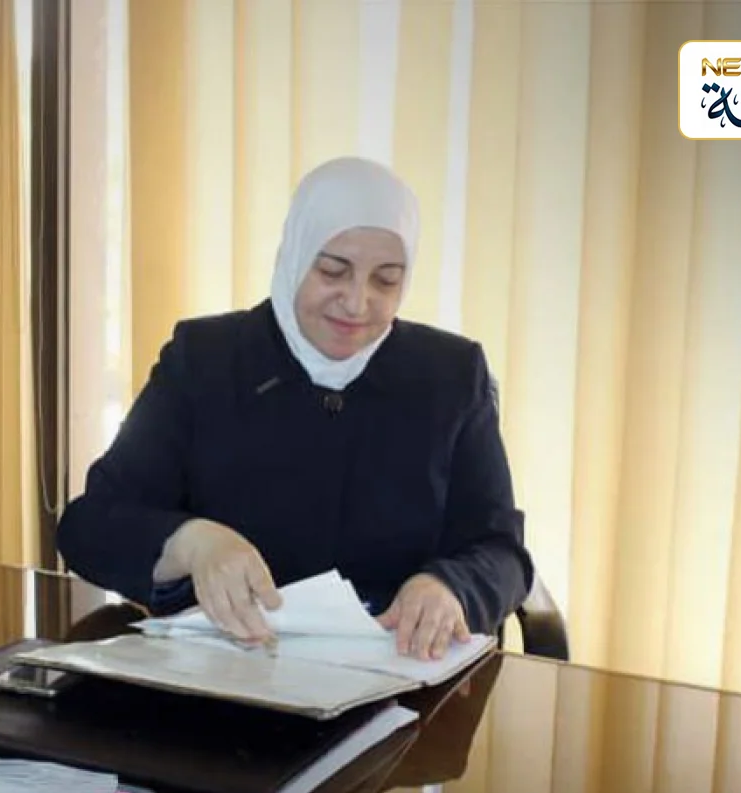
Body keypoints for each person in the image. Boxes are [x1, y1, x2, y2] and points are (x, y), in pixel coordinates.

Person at [57, 156, 533, 661]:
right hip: (224, 671)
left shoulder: (451, 375)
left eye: (386, 281)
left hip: (396, 670)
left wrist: (449, 586)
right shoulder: (205, 360)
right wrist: (190, 543)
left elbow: (501, 550)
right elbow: (90, 525)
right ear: (295, 255)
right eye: (333, 271)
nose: (357, 302)